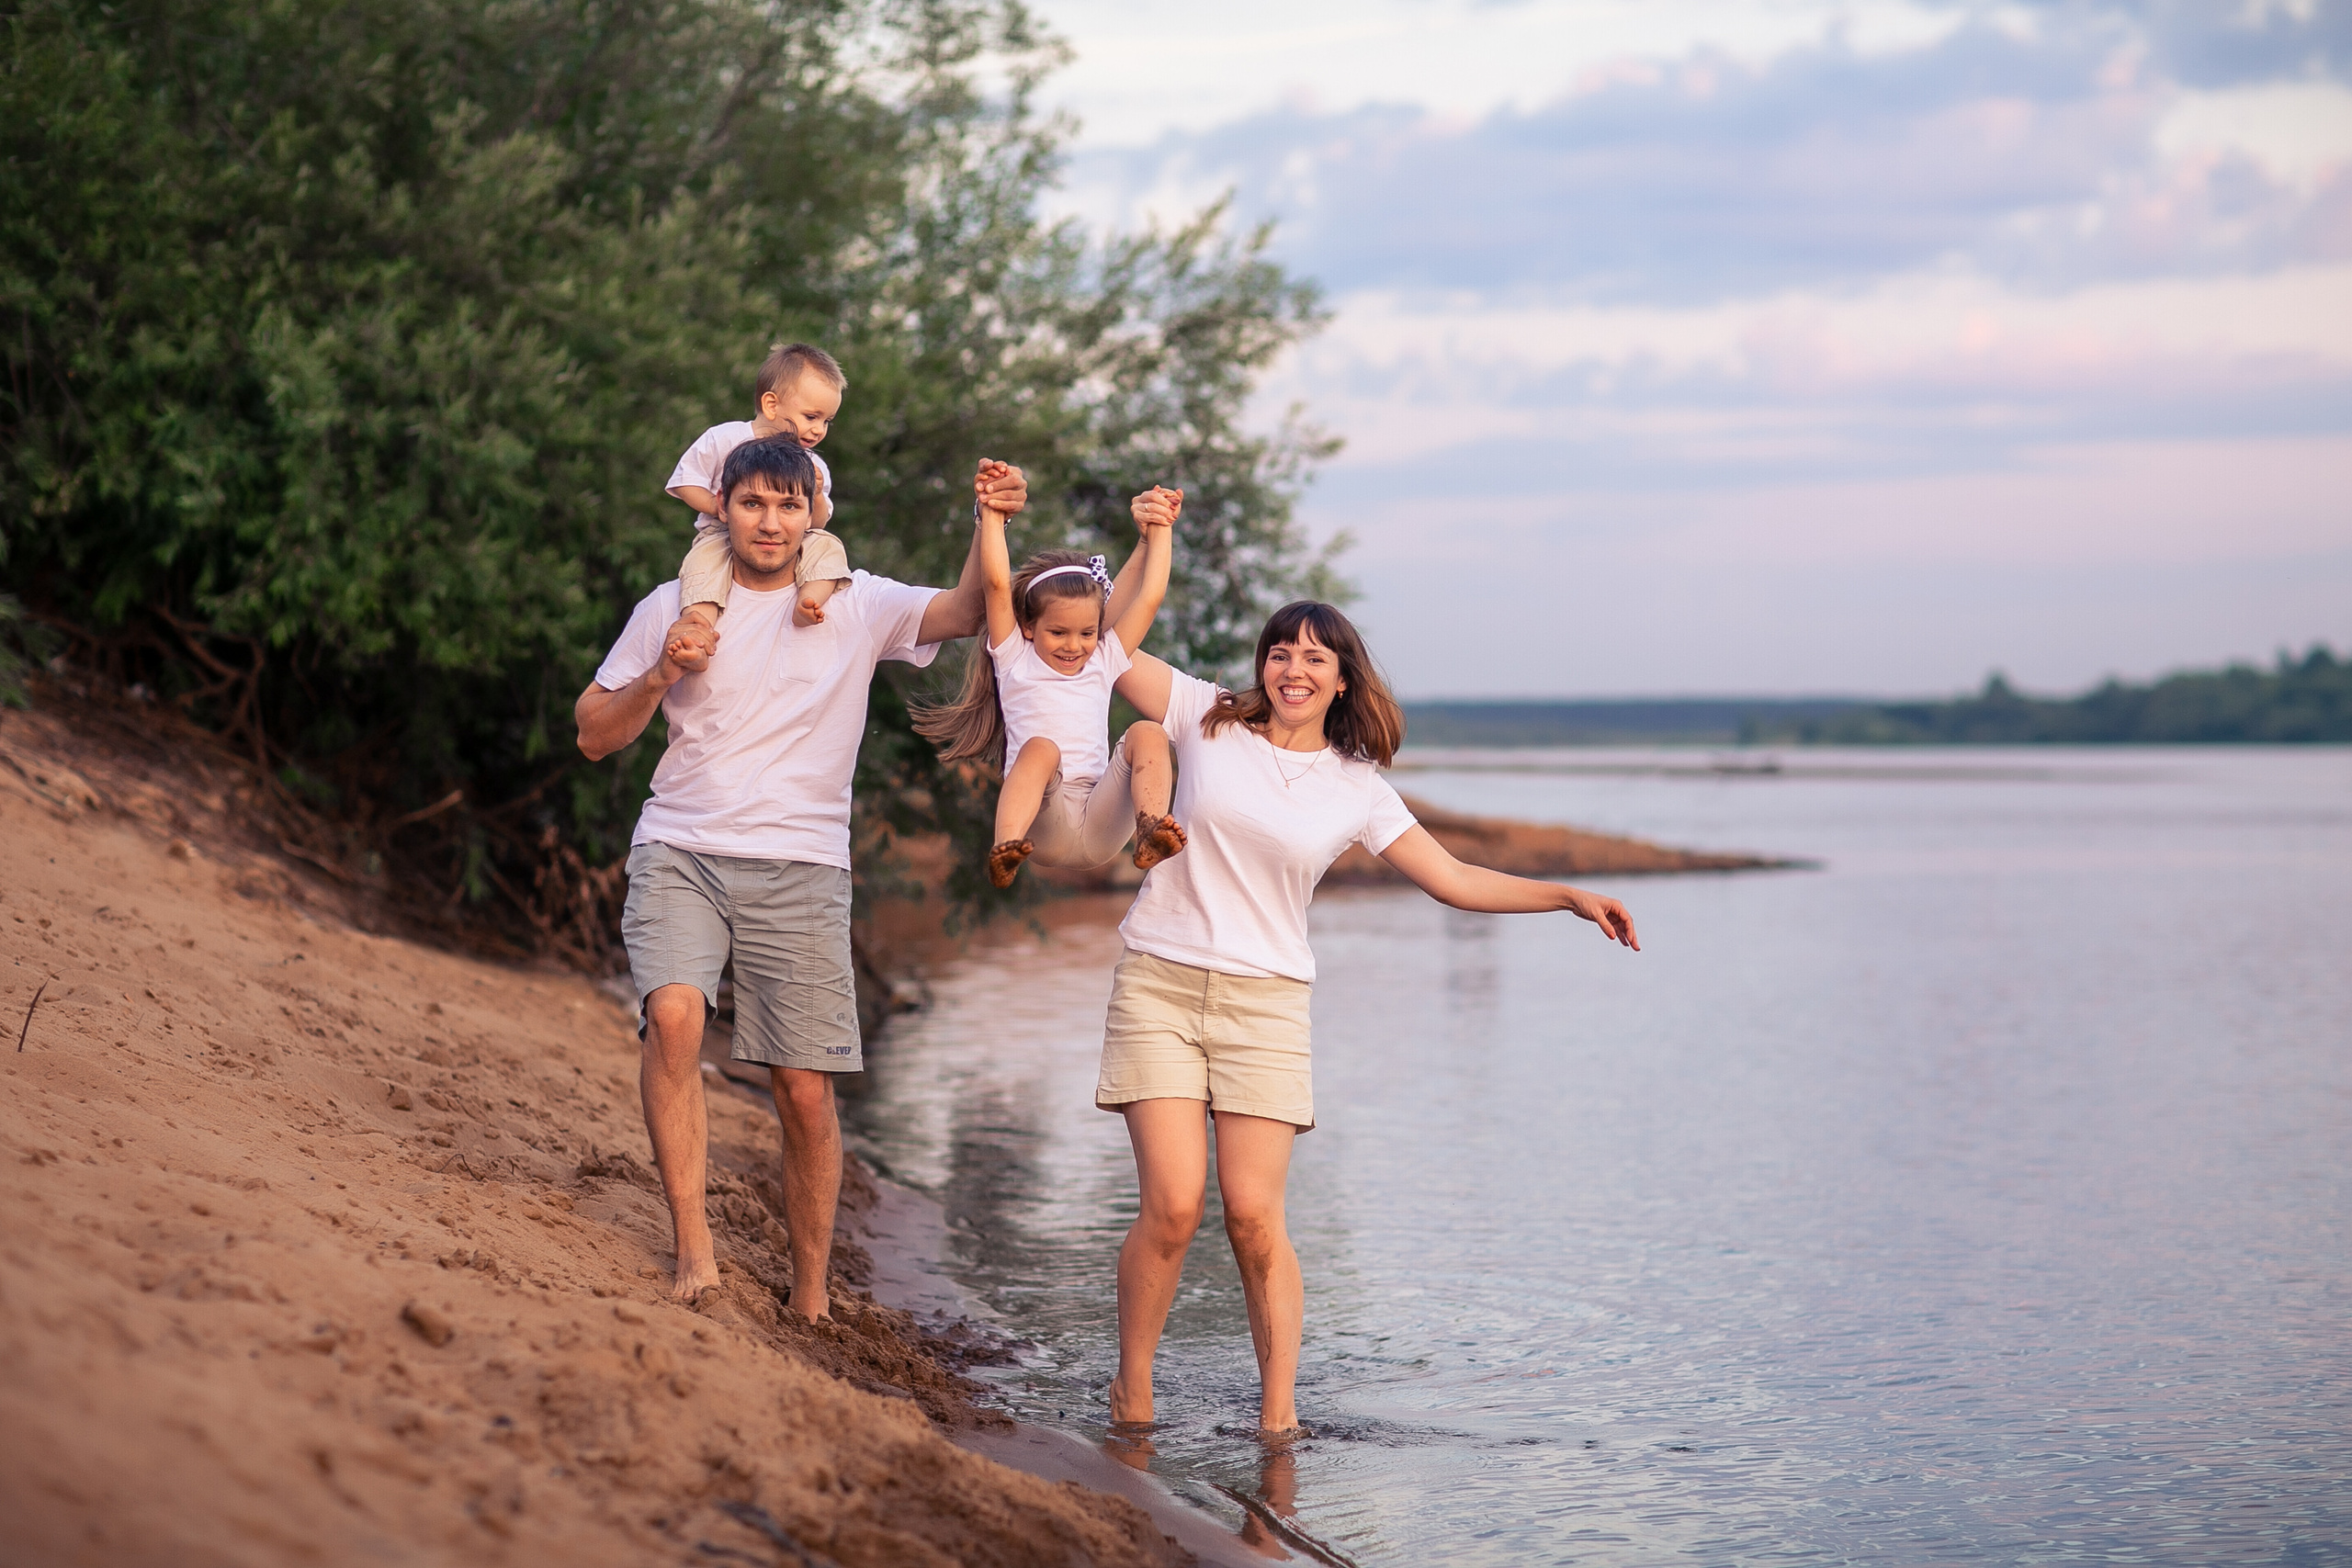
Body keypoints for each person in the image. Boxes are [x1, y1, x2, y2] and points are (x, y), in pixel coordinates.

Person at [1097, 601, 1640, 1432]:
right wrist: (1142, 550)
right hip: (1162, 981)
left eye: (1315, 658)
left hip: (1267, 1004)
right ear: (1261, 666)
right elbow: (1110, 647)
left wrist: (1567, 894)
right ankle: (1133, 1390)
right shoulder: (1204, 717)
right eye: (1279, 653)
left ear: (1343, 677)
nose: (1294, 670)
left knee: (1252, 1214)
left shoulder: (1358, 787)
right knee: (1173, 1206)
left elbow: (1454, 877)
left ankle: (1278, 1416)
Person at [575, 434, 1025, 1314]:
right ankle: (693, 1249)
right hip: (682, 847)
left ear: (814, 512)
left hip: (804, 866)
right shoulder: (675, 605)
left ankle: (812, 1295)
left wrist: (990, 517)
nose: (771, 521)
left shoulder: (858, 603)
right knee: (673, 1019)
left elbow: (971, 609)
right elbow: (594, 733)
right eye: (753, 504)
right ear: (724, 510)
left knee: (805, 1090)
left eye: (789, 505)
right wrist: (665, 667)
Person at [911, 484, 1190, 888]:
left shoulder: (1103, 660)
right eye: (1058, 632)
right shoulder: (1013, 658)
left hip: (1102, 824)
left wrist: (1157, 531)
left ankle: (1149, 830)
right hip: (1044, 826)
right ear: (1028, 626)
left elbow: (1150, 597)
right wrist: (991, 515)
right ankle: (1005, 849)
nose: (1074, 646)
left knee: (1148, 732)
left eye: (1086, 633)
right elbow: (995, 584)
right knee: (1042, 749)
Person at [667, 342, 852, 635]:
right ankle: (697, 631)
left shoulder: (812, 463)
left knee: (828, 545)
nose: (819, 430)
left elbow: (816, 522)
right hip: (721, 533)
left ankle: (808, 602)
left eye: (827, 421)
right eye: (811, 417)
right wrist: (719, 507)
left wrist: (815, 494)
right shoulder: (725, 438)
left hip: (788, 540)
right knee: (703, 567)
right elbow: (685, 482)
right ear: (771, 405)